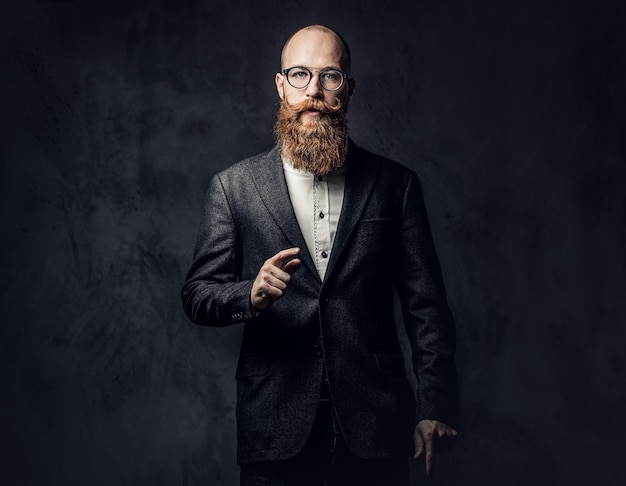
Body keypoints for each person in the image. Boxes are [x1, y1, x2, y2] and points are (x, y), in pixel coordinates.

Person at [182, 24, 458, 485]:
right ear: (280, 85)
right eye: (299, 75)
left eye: (329, 76)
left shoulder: (396, 185)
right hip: (274, 426)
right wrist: (249, 294)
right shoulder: (234, 188)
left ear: (347, 89)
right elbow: (197, 295)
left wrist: (435, 406)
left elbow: (426, 308)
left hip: (376, 427)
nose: (313, 90)